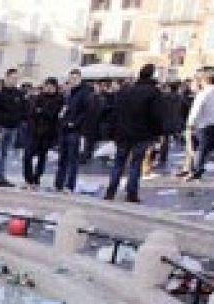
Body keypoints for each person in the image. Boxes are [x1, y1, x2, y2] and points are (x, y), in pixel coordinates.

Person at [105, 64, 166, 203]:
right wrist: (158, 133)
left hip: (122, 133)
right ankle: (131, 193)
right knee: (136, 163)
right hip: (142, 134)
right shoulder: (153, 92)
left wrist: (114, 131)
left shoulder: (126, 90)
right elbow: (157, 115)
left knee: (119, 162)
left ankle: (111, 191)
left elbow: (115, 113)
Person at [184, 71, 214, 180]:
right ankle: (195, 168)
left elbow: (196, 109)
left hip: (202, 123)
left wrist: (190, 123)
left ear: (204, 81)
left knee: (199, 148)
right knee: (204, 148)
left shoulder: (203, 93)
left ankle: (196, 170)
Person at [55, 71, 95, 193]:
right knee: (63, 157)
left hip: (75, 130)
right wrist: (62, 119)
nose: (72, 80)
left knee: (73, 158)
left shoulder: (84, 94)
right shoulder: (69, 93)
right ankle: (59, 184)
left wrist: (75, 123)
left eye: (75, 78)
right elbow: (64, 108)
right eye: (71, 78)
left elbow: (86, 112)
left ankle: (69, 185)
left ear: (79, 79)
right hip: (65, 128)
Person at [23, 79, 63, 188]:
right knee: (27, 155)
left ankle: (37, 178)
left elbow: (53, 114)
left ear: (55, 88)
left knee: (42, 157)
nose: (48, 88)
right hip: (34, 131)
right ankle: (28, 178)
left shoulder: (59, 99)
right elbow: (31, 112)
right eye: (47, 86)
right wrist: (39, 111)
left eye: (51, 86)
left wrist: (41, 111)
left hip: (47, 133)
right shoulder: (38, 97)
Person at [0, 69, 27, 187]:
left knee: (6, 153)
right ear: (7, 78)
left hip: (13, 128)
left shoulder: (19, 94)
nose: (15, 80)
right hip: (2, 127)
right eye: (13, 78)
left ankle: (2, 177)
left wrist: (20, 121)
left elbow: (23, 109)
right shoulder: (0, 94)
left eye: (16, 78)